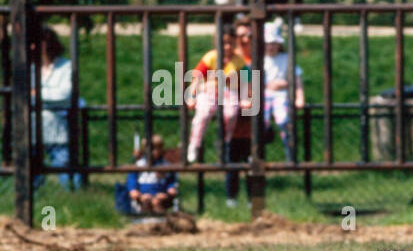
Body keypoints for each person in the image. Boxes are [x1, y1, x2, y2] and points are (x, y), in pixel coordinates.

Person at [186, 28, 247, 164]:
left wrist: (246, 97)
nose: (227, 47)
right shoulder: (211, 57)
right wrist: (191, 95)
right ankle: (194, 144)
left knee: (231, 114)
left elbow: (245, 80)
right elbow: (197, 76)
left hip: (228, 91)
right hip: (209, 89)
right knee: (203, 113)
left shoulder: (238, 60)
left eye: (231, 43)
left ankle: (224, 142)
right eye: (224, 43)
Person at [34, 27, 83, 190]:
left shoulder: (66, 66)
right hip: (34, 129)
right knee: (32, 178)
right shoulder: (29, 68)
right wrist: (48, 97)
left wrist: (37, 94)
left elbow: (64, 94)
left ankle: (74, 204)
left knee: (67, 176)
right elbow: (23, 95)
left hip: (58, 128)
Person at [262, 21, 304, 162]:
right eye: (268, 43)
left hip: (282, 94)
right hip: (264, 95)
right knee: (261, 122)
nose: (271, 46)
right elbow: (250, 80)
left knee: (284, 121)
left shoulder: (286, 59)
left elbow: (296, 78)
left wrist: (299, 97)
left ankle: (290, 156)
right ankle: (258, 156)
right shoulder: (259, 59)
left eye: (274, 43)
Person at [127, 135, 179, 214]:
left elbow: (171, 180)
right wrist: (134, 190)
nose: (152, 151)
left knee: (157, 202)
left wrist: (170, 189)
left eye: (156, 148)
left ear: (161, 149)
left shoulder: (166, 165)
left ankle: (161, 221)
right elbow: (132, 179)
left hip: (161, 193)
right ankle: (144, 221)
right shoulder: (139, 164)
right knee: (146, 202)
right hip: (143, 194)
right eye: (150, 149)